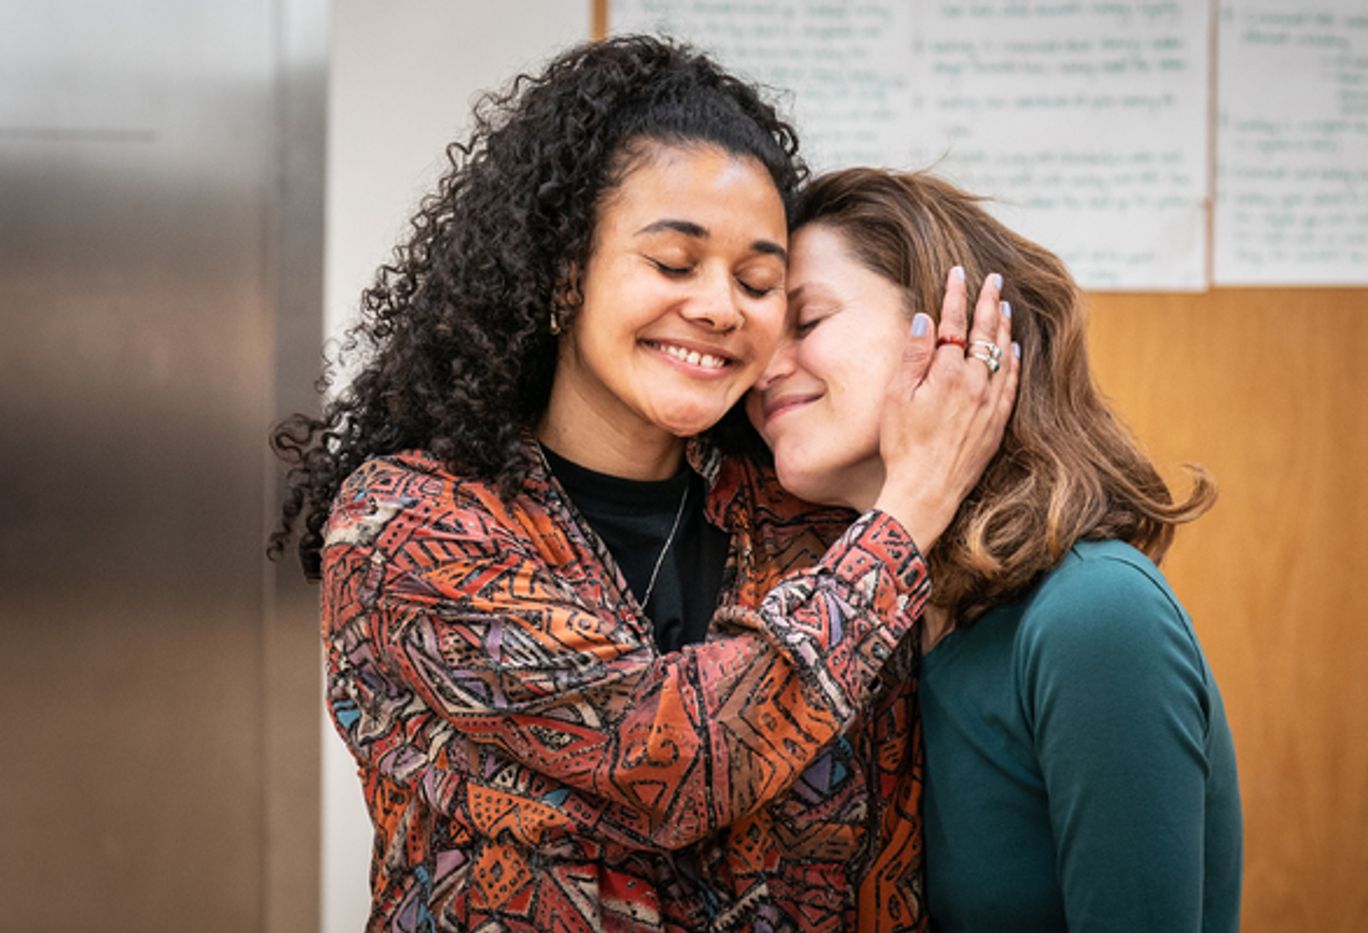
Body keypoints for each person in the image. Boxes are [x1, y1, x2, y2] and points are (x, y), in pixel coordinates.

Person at [270, 38, 1017, 931]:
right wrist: (912, 509)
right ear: (562, 271)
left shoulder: (812, 531)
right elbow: (666, 762)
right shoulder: (406, 524)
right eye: (673, 263)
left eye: (759, 281)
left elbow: (885, 868)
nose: (718, 306)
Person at [747, 168, 1244, 932]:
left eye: (806, 321)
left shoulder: (1095, 616)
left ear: (957, 332)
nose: (766, 366)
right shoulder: (888, 622)